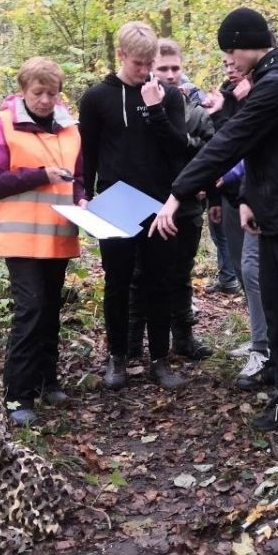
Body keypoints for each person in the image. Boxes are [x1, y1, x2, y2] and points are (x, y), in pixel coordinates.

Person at [151, 7, 278, 436]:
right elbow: (263, 151)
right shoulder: (266, 82)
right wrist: (249, 197)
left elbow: (232, 142)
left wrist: (176, 194)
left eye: (232, 50)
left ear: (250, 45)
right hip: (271, 212)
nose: (228, 60)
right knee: (275, 307)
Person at [78, 22, 192, 391]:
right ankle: (118, 357)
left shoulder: (169, 97)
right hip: (114, 202)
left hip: (159, 204)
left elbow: (179, 149)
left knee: (160, 280)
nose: (145, 71)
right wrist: (84, 194)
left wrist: (156, 108)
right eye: (139, 63)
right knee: (117, 282)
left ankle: (159, 358)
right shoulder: (97, 98)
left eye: (150, 63)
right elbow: (89, 151)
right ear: (121, 56)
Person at [0, 57, 85, 427]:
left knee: (52, 309)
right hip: (20, 237)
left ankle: (47, 381)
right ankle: (18, 395)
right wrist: (40, 175)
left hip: (58, 235)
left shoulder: (70, 128)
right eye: (38, 93)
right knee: (31, 310)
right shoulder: (2, 124)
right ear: (24, 90)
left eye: (51, 94)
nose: (44, 100)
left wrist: (82, 197)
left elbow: (79, 176)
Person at [127, 39, 215, 361]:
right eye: (163, 68)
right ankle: (133, 344)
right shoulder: (136, 105)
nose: (170, 74)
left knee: (180, 273)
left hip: (187, 204)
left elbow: (210, 150)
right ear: (151, 68)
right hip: (146, 201)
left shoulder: (196, 109)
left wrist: (190, 149)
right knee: (140, 276)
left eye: (175, 68)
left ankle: (183, 339)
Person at [207, 54, 270, 389]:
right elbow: (222, 142)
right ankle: (260, 337)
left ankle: (265, 348)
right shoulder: (227, 97)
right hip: (234, 200)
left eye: (237, 66)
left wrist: (224, 174)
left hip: (259, 199)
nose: (231, 72)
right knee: (242, 269)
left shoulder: (268, 96)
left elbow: (251, 151)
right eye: (227, 66)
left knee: (252, 269)